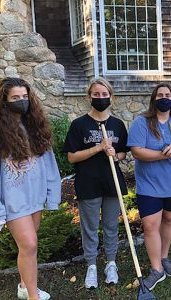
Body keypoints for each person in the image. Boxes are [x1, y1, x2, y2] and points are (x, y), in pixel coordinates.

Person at [0, 77, 61, 300]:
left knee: (28, 247)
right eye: (16, 97)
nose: (21, 101)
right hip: (13, 198)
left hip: (34, 196)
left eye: (25, 97)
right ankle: (33, 296)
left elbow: (49, 161)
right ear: (4, 100)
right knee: (29, 244)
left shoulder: (34, 124)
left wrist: (52, 193)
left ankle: (25, 286)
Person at [127, 83, 171, 290]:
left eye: (167, 95)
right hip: (149, 186)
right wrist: (166, 153)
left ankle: (164, 257)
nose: (163, 98)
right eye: (160, 95)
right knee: (149, 225)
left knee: (168, 219)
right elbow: (137, 152)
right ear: (154, 99)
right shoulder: (142, 122)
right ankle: (156, 270)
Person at [63, 78, 129, 289]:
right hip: (88, 183)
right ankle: (91, 266)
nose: (101, 98)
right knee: (90, 228)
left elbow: (122, 154)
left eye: (104, 94)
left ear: (111, 96)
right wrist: (97, 148)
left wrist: (116, 155)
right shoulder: (79, 124)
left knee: (111, 226)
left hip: (112, 183)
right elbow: (72, 157)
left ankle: (111, 263)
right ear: (88, 97)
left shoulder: (117, 124)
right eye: (96, 94)